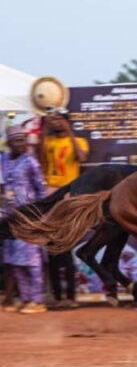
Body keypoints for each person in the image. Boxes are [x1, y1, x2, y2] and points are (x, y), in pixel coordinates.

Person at [38, 111, 88, 308]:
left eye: (61, 119)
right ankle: (57, 296)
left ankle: (70, 297)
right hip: (49, 197)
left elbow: (82, 157)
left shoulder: (79, 141)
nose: (57, 122)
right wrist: (45, 129)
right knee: (51, 248)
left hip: (68, 197)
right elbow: (40, 159)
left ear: (67, 122)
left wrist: (70, 133)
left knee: (65, 247)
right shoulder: (49, 142)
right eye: (55, 119)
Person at [1, 126, 48, 314]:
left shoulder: (30, 162)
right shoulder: (2, 160)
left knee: (31, 259)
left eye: (23, 140)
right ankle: (25, 298)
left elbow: (41, 190)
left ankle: (38, 301)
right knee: (14, 259)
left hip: (28, 215)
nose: (21, 144)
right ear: (9, 142)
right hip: (8, 216)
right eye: (17, 141)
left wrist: (40, 214)